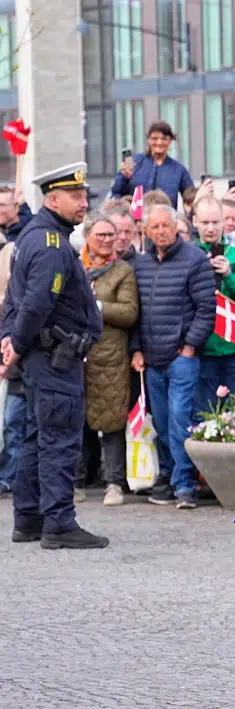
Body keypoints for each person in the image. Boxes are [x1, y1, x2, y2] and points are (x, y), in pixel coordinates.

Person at [0, 162, 108, 547]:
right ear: (52, 199)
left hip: (41, 357)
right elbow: (34, 304)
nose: (83, 203)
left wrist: (12, 342)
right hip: (53, 358)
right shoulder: (49, 244)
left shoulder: (39, 236)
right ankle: (59, 524)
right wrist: (16, 343)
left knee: (35, 437)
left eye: (83, 196)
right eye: (76, 197)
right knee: (59, 439)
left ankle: (28, 519)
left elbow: (17, 301)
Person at [129, 202, 215, 510]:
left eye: (166, 225)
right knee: (162, 423)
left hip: (182, 357)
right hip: (152, 359)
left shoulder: (195, 260)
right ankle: (167, 476)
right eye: (155, 227)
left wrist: (190, 346)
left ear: (176, 226)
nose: (161, 231)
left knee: (181, 420)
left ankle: (184, 485)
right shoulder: (140, 264)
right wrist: (136, 349)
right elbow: (135, 312)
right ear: (146, 230)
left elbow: (207, 309)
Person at [78, 214, 138, 507]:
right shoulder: (76, 266)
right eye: (100, 235)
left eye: (110, 235)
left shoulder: (122, 270)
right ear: (87, 236)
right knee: (75, 418)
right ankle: (77, 480)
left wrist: (97, 305)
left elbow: (129, 312)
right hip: (78, 354)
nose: (105, 240)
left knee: (112, 420)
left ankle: (114, 482)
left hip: (110, 356)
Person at [192, 197, 235, 407]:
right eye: (205, 222)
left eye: (215, 222)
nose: (210, 228)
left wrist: (229, 274)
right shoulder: (188, 256)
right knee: (204, 413)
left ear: (225, 222)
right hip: (202, 348)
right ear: (195, 222)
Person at [110, 121, 195, 207]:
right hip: (136, 218)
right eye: (155, 138)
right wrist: (124, 178)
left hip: (165, 218)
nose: (159, 142)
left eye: (164, 138)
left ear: (170, 141)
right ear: (148, 140)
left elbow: (190, 198)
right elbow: (116, 193)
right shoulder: (136, 162)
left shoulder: (178, 169)